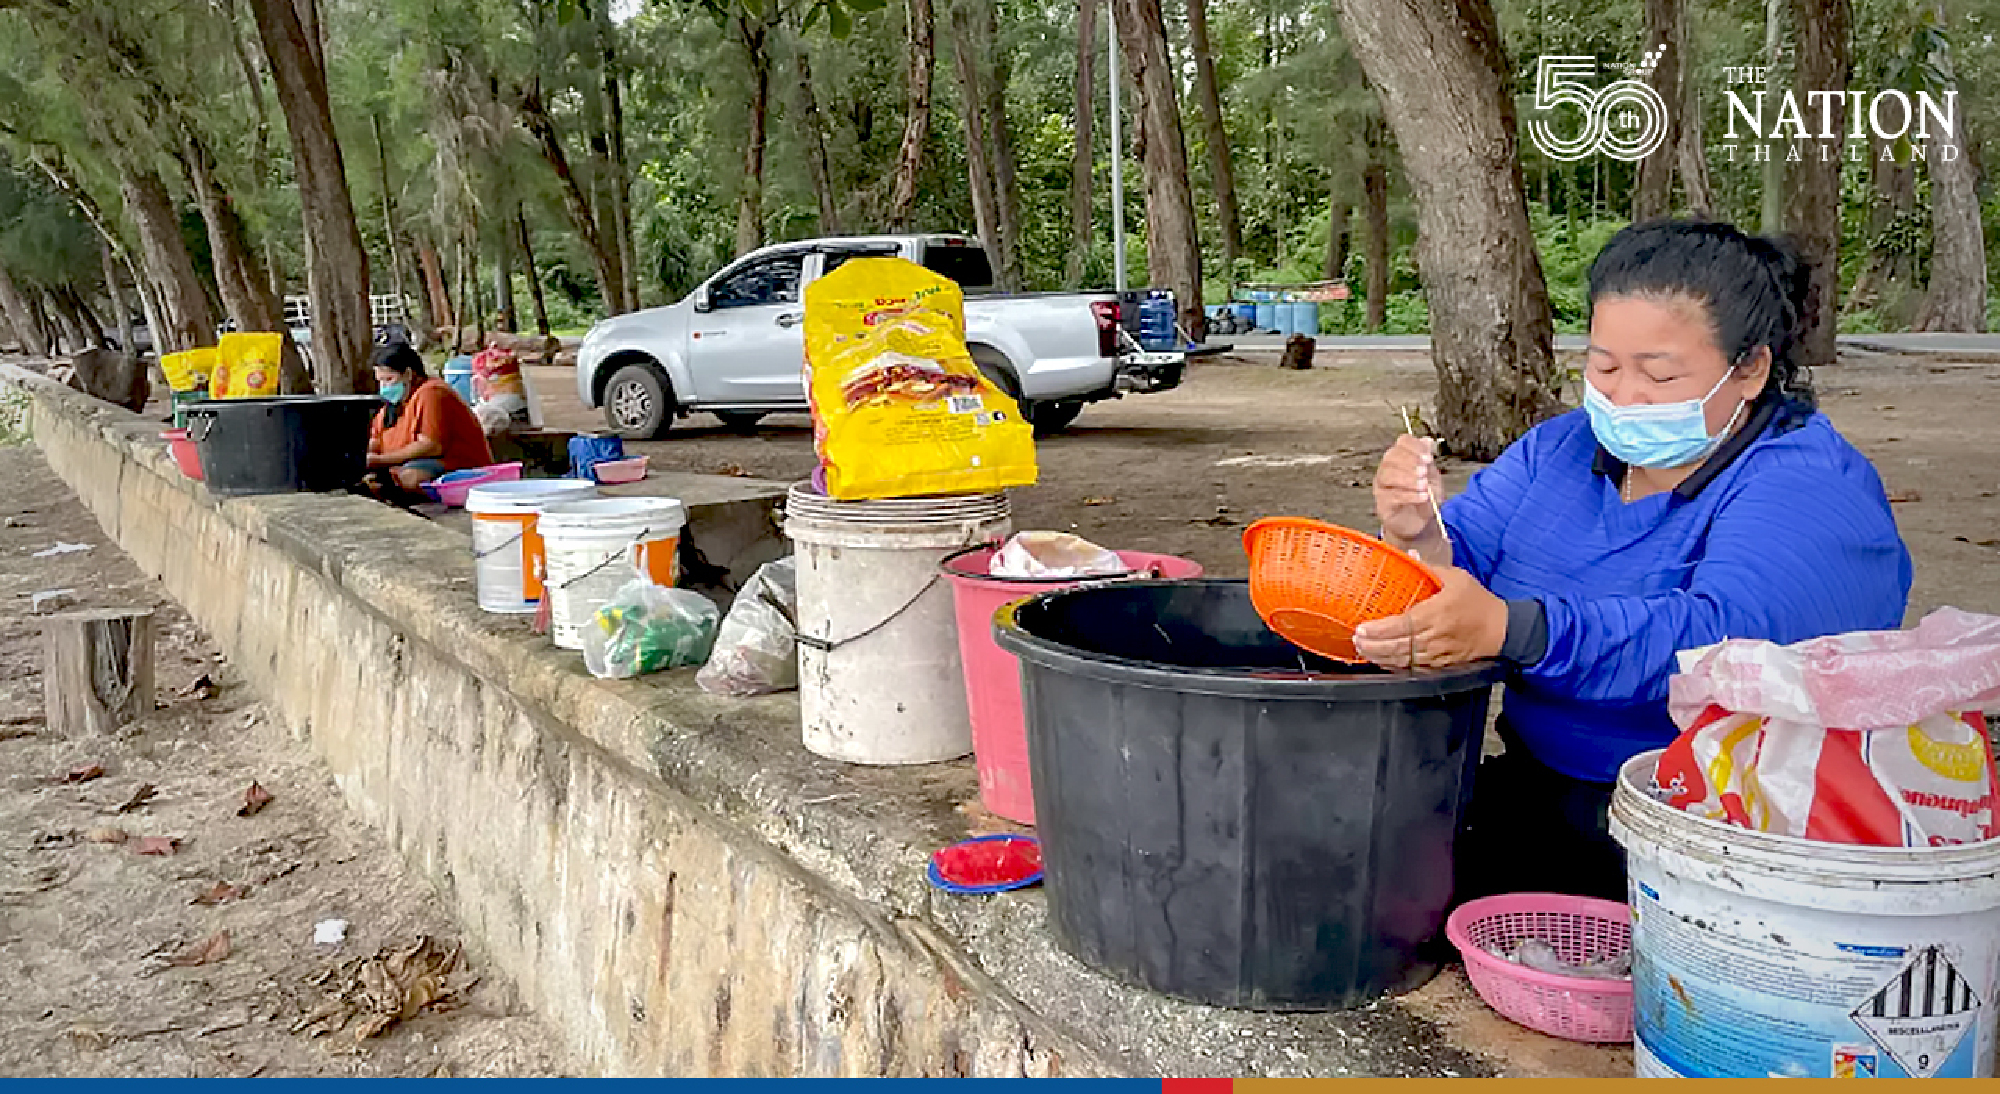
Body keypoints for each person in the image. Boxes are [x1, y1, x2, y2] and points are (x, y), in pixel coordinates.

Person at [1357, 219, 1912, 901]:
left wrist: (1519, 631)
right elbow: (1458, 567)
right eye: (1603, 366)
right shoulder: (1558, 453)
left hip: (1724, 831)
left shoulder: (1809, 485)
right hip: (1541, 791)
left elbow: (1725, 644)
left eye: (1659, 373)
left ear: (1750, 369)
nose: (1621, 396)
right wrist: (1417, 537)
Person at [364, 342, 493, 499]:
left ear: (408, 374)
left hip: (456, 464)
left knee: (412, 478)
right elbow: (376, 439)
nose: (384, 387)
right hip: (402, 465)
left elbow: (431, 446)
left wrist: (380, 461)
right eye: (380, 381)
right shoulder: (391, 406)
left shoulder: (432, 392)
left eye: (389, 379)